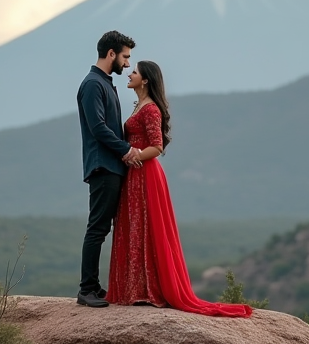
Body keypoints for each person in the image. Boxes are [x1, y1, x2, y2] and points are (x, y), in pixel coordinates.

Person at [106, 60, 253, 318]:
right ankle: (134, 289)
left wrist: (133, 155)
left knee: (147, 228)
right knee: (134, 227)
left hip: (146, 174)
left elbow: (157, 146)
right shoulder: (139, 105)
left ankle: (148, 290)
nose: (130, 73)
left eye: (135, 71)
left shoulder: (150, 109)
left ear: (146, 79)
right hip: (134, 173)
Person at [76, 30, 142, 308]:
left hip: (112, 165)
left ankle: (97, 286)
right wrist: (126, 150)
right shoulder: (93, 84)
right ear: (111, 53)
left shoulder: (103, 83)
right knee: (98, 228)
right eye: (126, 57)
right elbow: (98, 127)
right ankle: (87, 289)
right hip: (104, 166)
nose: (128, 64)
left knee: (103, 228)